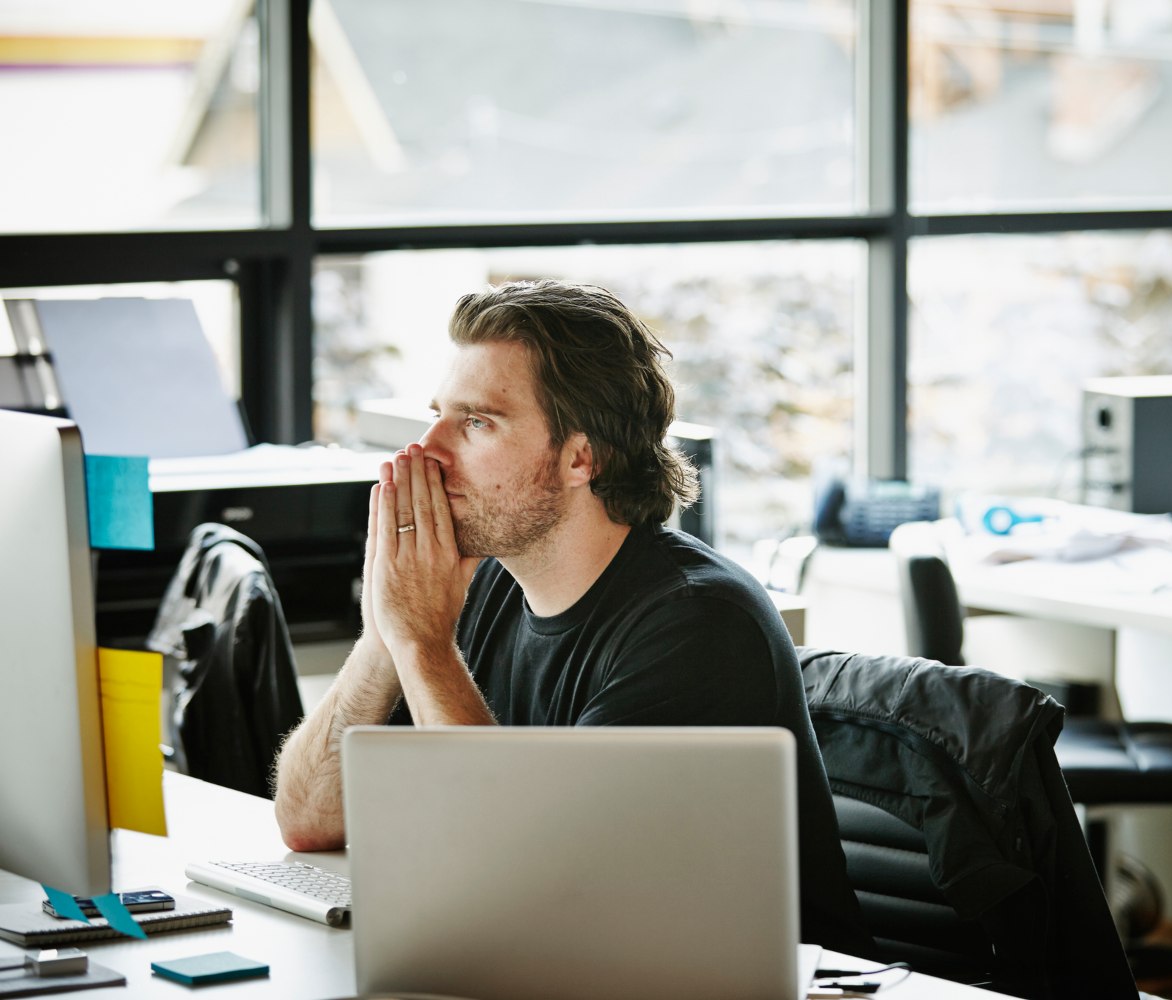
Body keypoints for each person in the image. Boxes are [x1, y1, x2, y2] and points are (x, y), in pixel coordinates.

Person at [273, 279, 871, 955]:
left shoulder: (697, 625)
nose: (424, 451)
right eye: (437, 415)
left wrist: (422, 643)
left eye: (476, 423)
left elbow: (535, 893)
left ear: (581, 456)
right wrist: (384, 632)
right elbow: (310, 821)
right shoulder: (484, 584)